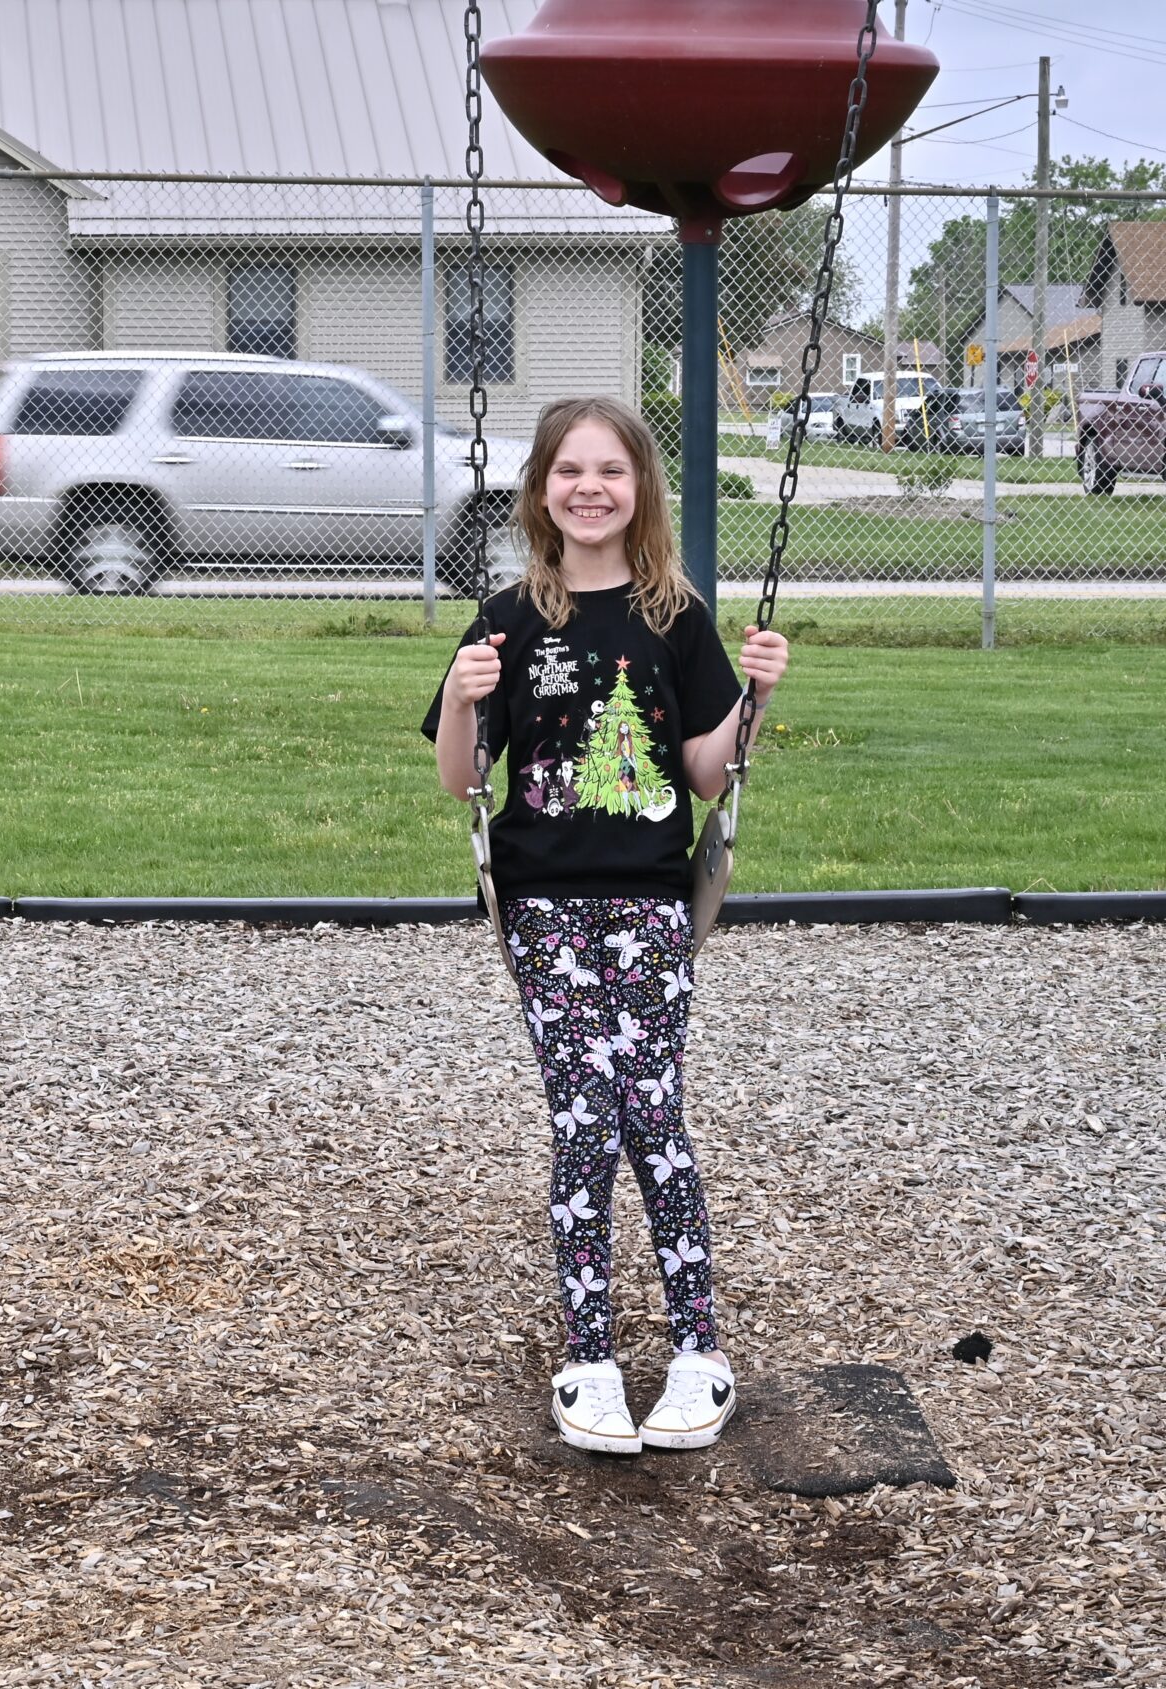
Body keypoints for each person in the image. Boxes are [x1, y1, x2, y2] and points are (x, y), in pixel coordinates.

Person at [424, 396, 788, 1456]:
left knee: (653, 1115)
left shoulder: (675, 616)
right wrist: (461, 697)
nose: (590, 488)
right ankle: (589, 1361)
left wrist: (756, 699)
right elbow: (460, 780)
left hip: (651, 901)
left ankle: (698, 1352)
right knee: (587, 1116)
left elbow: (706, 773)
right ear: (541, 491)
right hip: (541, 906)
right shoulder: (506, 618)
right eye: (570, 471)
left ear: (641, 490)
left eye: (611, 471)